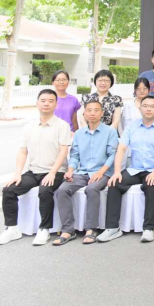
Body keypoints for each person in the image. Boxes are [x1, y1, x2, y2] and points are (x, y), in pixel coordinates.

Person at [0, 90, 71, 246]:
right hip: (34, 171)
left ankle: (44, 229)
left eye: (50, 101)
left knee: (45, 190)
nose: (46, 103)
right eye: (43, 100)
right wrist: (17, 174)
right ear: (37, 103)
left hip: (56, 171)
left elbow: (63, 151)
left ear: (56, 104)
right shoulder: (29, 126)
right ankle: (12, 229)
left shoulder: (62, 125)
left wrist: (53, 172)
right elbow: (23, 151)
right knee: (9, 190)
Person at [97, 96, 154, 243]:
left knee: (151, 185)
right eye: (145, 106)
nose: (148, 109)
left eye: (152, 106)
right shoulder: (132, 127)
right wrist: (117, 172)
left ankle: (148, 228)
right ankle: (112, 228)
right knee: (114, 183)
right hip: (135, 169)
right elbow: (121, 149)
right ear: (140, 108)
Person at [52, 99, 118, 246]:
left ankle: (91, 229)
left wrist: (100, 172)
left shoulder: (110, 132)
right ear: (84, 113)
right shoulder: (79, 134)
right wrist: (70, 171)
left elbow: (112, 155)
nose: (92, 113)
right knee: (62, 190)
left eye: (96, 110)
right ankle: (68, 230)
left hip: (103, 172)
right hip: (82, 172)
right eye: (89, 110)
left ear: (102, 113)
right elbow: (74, 156)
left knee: (92, 188)